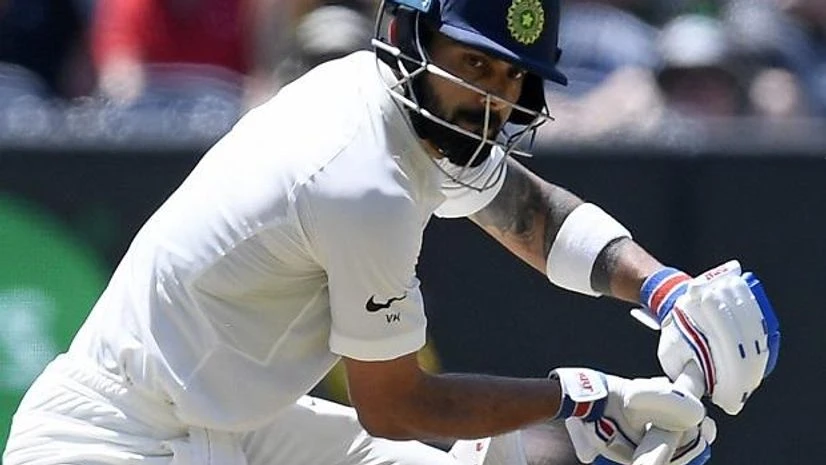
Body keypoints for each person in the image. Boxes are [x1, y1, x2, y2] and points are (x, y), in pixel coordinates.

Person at [6, 1, 759, 464]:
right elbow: (397, 407)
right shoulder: (362, 181)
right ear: (412, 36)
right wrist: (579, 397)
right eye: (475, 66)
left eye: (511, 78)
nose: (493, 102)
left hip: (223, 422)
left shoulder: (396, 99)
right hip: (114, 440)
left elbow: (527, 210)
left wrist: (666, 287)